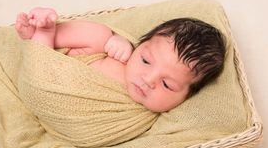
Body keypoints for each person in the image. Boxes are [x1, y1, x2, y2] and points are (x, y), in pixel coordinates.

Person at [15, 7, 225, 113]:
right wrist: (117, 41)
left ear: (188, 96)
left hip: (54, 97)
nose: (148, 79)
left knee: (46, 72)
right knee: (100, 35)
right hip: (51, 68)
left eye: (167, 84)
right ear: (140, 45)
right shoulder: (123, 59)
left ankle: (40, 40)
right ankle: (44, 32)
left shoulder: (138, 118)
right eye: (145, 60)